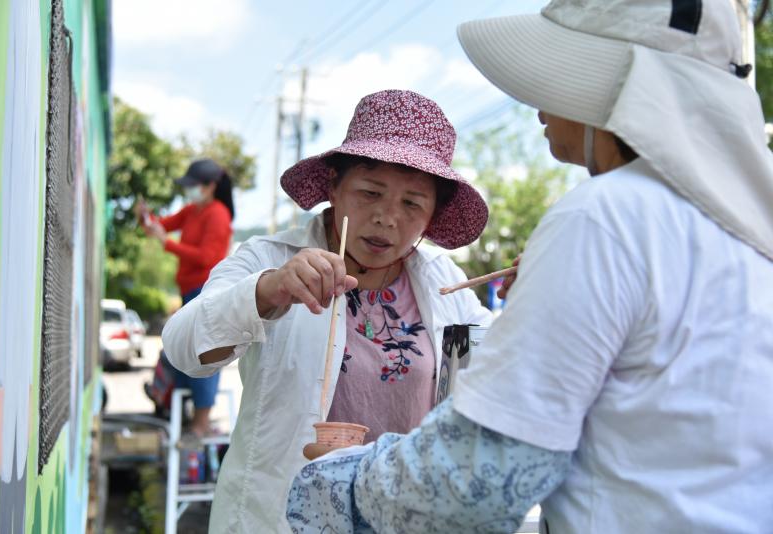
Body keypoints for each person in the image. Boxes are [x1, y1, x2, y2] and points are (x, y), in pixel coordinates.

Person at [286, 1, 773, 532]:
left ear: (617, 84)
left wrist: (332, 483)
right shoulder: (742, 226)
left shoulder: (605, 216)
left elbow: (481, 476)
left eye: (559, 69)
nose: (537, 98)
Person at [161, 89, 492, 532]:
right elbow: (183, 348)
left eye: (412, 203)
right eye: (370, 192)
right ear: (334, 188)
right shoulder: (269, 258)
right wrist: (269, 291)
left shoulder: (445, 283)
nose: (387, 217)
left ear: (432, 214)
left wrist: (542, 301)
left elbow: (503, 370)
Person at [137, 158, 234, 437]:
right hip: (188, 292)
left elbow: (208, 257)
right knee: (182, 353)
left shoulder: (218, 214)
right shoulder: (192, 210)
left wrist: (166, 242)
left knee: (204, 354)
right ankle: (179, 411)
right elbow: (161, 224)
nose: (190, 191)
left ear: (210, 186)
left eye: (194, 186)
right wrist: (145, 218)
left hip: (206, 292)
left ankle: (201, 422)